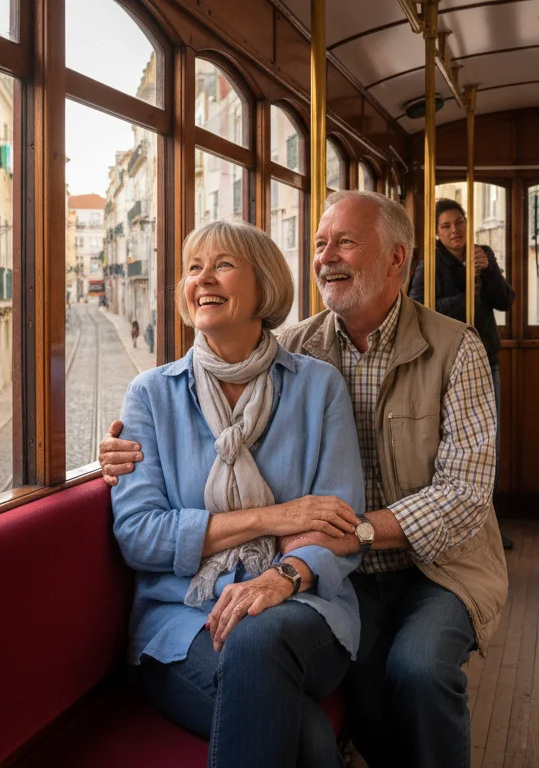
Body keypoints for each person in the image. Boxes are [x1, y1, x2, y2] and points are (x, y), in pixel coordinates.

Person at [103, 191, 508, 768]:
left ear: (398, 259)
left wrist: (334, 543)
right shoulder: (292, 352)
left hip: (431, 564)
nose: (326, 258)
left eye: (344, 242)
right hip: (333, 573)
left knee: (417, 671)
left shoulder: (449, 350)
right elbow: (147, 516)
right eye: (319, 245)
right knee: (349, 708)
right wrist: (118, 451)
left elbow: (464, 494)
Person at [110, 220, 370, 768]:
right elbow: (139, 534)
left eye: (222, 264)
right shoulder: (150, 396)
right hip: (180, 623)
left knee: (257, 638)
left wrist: (284, 576)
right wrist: (276, 518)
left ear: (265, 286)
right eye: (192, 268)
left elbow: (340, 528)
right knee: (308, 739)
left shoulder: (318, 387)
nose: (203, 278)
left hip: (304, 606)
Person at [410, 198, 516, 549]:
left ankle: (488, 526)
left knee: (490, 445)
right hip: (445, 363)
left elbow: (505, 301)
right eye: (446, 226)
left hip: (486, 359)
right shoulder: (430, 263)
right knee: (453, 447)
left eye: (459, 222)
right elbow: (419, 309)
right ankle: (456, 528)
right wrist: (465, 292)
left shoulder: (482, 254)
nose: (455, 231)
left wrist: (490, 273)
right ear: (437, 233)